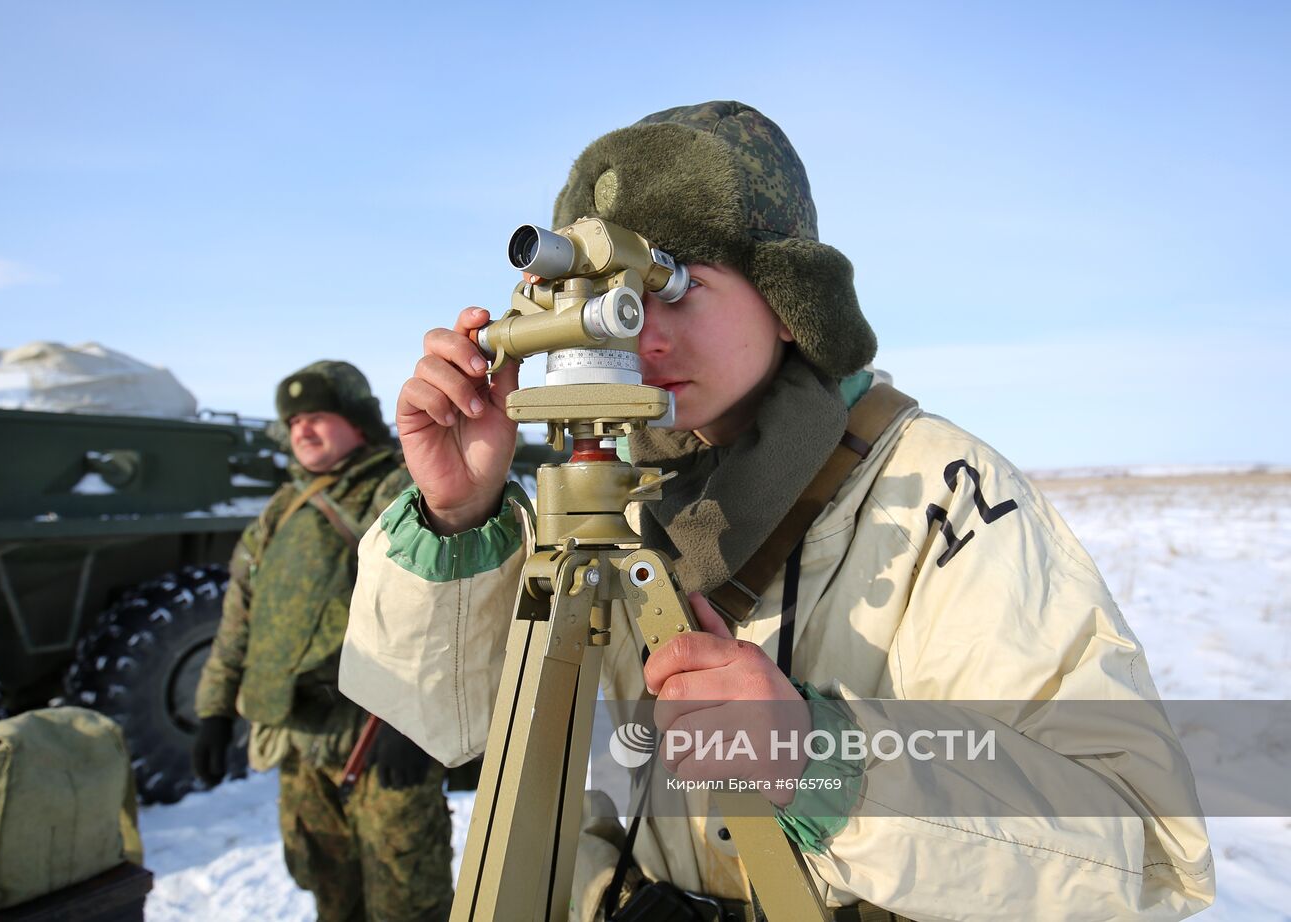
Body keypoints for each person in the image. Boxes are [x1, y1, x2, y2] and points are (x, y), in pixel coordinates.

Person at [339, 103, 1215, 920]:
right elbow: (444, 725)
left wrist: (823, 763)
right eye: (611, 299)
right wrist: (457, 514)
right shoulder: (611, 501)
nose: (640, 334)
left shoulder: (935, 488)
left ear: (793, 304)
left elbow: (1137, 856)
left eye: (675, 284)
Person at [192, 360, 453, 922]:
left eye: (318, 417)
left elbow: (439, 608)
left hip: (378, 737)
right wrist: (214, 709)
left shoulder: (402, 491)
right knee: (330, 896)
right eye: (293, 422)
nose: (302, 430)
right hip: (300, 742)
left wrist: (412, 724)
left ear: (358, 423)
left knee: (406, 900)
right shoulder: (282, 511)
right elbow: (241, 614)